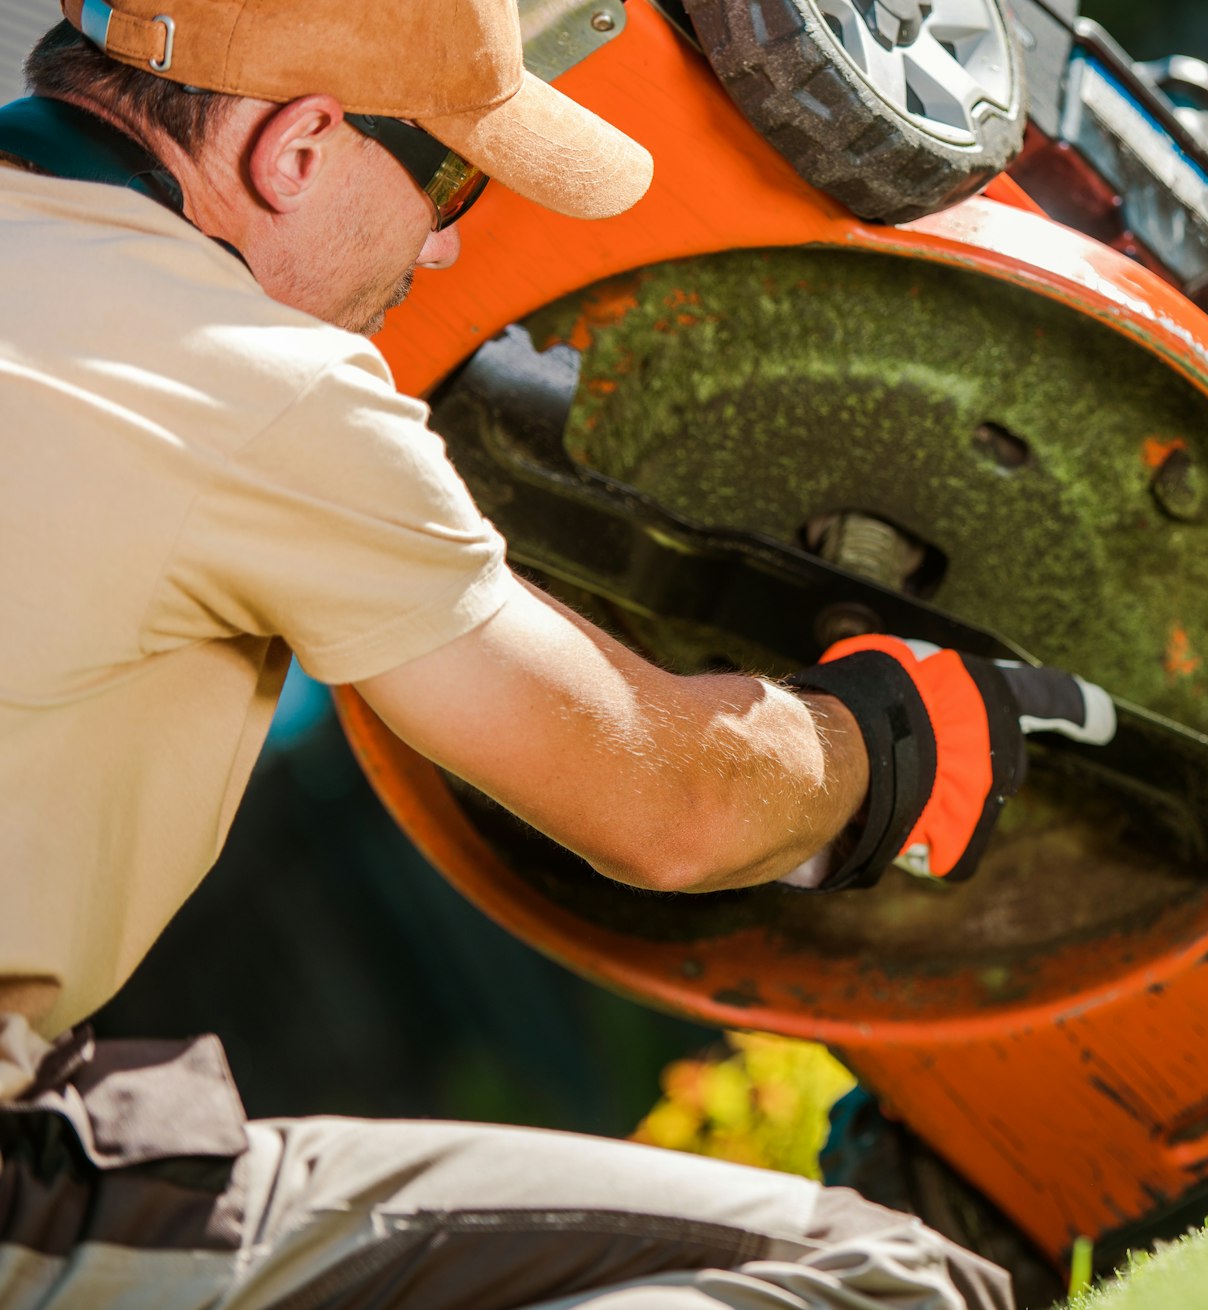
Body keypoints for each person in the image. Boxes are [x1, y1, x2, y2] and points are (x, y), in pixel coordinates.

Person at [0, 1, 1114, 1306]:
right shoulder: (239, 371)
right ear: (296, 148)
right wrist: (891, 738)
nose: (450, 237)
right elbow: (672, 805)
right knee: (885, 1278)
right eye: (451, 176)